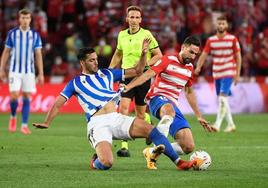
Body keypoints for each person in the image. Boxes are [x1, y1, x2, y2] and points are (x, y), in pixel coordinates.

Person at [32, 39, 197, 171]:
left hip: (116, 118)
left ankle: (178, 162)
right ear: (82, 63)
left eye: (96, 59)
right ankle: (96, 161)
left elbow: (137, 71)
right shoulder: (75, 83)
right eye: (91, 60)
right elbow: (58, 104)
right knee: (107, 163)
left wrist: (143, 54)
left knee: (152, 130)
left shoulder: (107, 73)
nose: (96, 63)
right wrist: (47, 122)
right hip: (97, 124)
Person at [122, 36, 216, 157]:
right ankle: (156, 145)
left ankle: (151, 152)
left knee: (188, 146)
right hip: (157, 98)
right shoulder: (167, 60)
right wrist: (129, 86)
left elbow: (189, 92)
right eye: (191, 52)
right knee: (169, 110)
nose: (193, 57)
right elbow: (147, 75)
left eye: (195, 54)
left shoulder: (190, 68)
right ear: (183, 47)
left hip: (172, 106)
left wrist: (199, 116)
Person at [109, 5, 162, 157]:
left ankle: (148, 123)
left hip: (143, 77)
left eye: (137, 17)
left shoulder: (146, 35)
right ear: (127, 19)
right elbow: (118, 54)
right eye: (131, 17)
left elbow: (158, 55)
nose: (134, 20)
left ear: (140, 19)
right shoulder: (121, 35)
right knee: (124, 108)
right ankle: (124, 145)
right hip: (126, 76)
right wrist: (110, 70)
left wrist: (144, 64)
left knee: (140, 114)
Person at [0, 8, 44, 135]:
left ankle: (24, 125)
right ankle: (13, 117)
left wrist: (40, 73)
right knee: (14, 95)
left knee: (26, 97)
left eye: (27, 18)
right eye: (23, 18)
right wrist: (1, 69)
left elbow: (38, 54)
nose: (25, 20)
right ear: (19, 19)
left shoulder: (35, 35)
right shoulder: (12, 33)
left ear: (30, 19)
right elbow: (6, 52)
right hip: (14, 70)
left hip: (29, 72)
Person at [195, 15, 242, 132]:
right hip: (217, 74)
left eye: (223, 23)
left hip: (228, 71)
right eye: (219, 23)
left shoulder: (232, 39)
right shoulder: (211, 40)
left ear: (226, 25)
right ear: (216, 25)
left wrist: (237, 74)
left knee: (222, 98)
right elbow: (204, 55)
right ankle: (231, 124)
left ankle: (217, 124)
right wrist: (198, 67)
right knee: (223, 100)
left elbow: (238, 57)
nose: (221, 25)